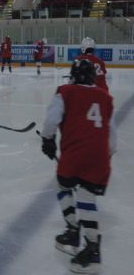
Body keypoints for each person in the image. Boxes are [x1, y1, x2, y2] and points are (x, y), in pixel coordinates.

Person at [40, 59, 116, 274]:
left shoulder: (66, 92)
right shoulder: (105, 97)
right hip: (100, 157)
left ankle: (79, 236)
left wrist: (47, 139)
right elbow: (112, 138)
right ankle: (88, 243)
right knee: (87, 197)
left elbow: (51, 120)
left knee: (62, 186)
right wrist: (103, 156)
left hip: (74, 155)